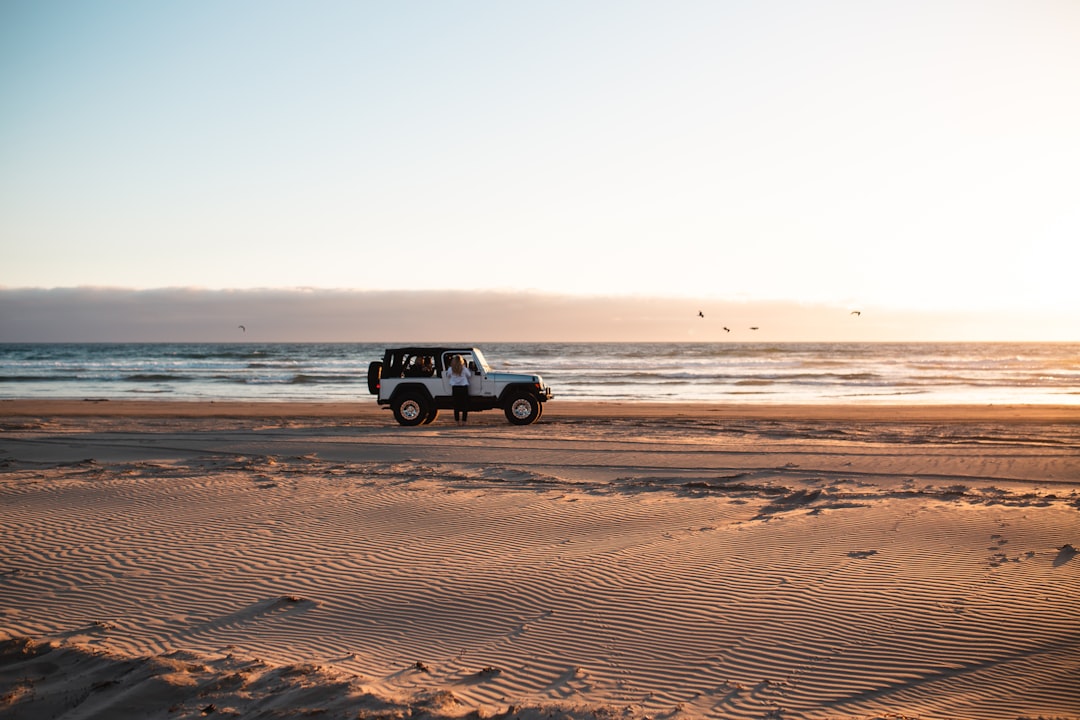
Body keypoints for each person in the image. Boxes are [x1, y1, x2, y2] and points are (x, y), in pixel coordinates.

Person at [444, 354, 472, 425]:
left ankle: (457, 421)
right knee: (464, 405)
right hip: (463, 387)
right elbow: (469, 375)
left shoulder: (451, 369)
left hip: (455, 388)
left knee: (456, 405)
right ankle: (464, 421)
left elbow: (447, 375)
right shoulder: (464, 369)